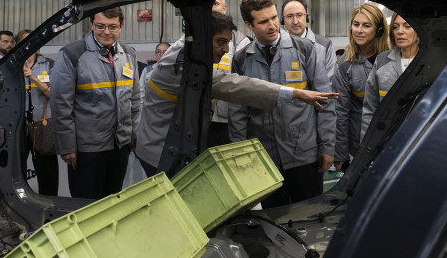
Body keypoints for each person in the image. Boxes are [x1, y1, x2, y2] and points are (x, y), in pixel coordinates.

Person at [136, 11, 337, 177]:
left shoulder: (190, 46)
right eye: (220, 42)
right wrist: (294, 93)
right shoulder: (182, 64)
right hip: (160, 151)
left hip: (177, 143)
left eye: (228, 42)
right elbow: (235, 85)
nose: (225, 49)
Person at [229, 0, 336, 208]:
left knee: (309, 216)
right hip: (264, 157)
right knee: (273, 219)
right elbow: (238, 112)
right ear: (249, 25)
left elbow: (325, 101)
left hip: (304, 154)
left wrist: (327, 146)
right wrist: (240, 155)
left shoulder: (305, 50)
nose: (272, 25)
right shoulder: (242, 60)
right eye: (263, 21)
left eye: (274, 18)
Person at [51, 7, 140, 199]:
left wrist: (133, 133)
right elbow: (60, 105)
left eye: (112, 27)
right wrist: (67, 147)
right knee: (86, 206)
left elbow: (135, 98)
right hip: (87, 148)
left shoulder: (129, 54)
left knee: (111, 202)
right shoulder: (72, 54)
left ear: (121, 26)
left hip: (120, 145)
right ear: (91, 24)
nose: (106, 32)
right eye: (100, 26)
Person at [333, 3, 389, 170]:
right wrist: (341, 152)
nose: (359, 30)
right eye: (356, 24)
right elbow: (340, 111)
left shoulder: (394, 58)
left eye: (366, 25)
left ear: (379, 30)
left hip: (392, 138)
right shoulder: (344, 65)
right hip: (360, 142)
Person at [361, 12, 419, 141]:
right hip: (386, 140)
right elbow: (370, 109)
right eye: (395, 27)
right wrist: (365, 147)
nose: (400, 31)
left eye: (407, 26)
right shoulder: (382, 61)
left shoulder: (429, 63)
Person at [16, 29, 59, 196]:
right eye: (25, 41)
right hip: (18, 125)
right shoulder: (13, 66)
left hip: (41, 125)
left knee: (47, 169)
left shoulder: (49, 64)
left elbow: (52, 94)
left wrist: (33, 77)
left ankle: (49, 202)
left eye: (33, 40)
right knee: (16, 167)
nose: (29, 45)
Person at [209, 0, 253, 148]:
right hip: (200, 119)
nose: (212, 7)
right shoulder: (193, 39)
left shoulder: (242, 42)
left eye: (215, 3)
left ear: (224, 8)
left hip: (227, 121)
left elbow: (244, 86)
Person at [281, 0, 336, 81]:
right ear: (282, 20)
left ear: (306, 17)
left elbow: (331, 81)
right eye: (289, 16)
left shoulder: (325, 45)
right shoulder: (276, 46)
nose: (295, 21)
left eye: (299, 15)